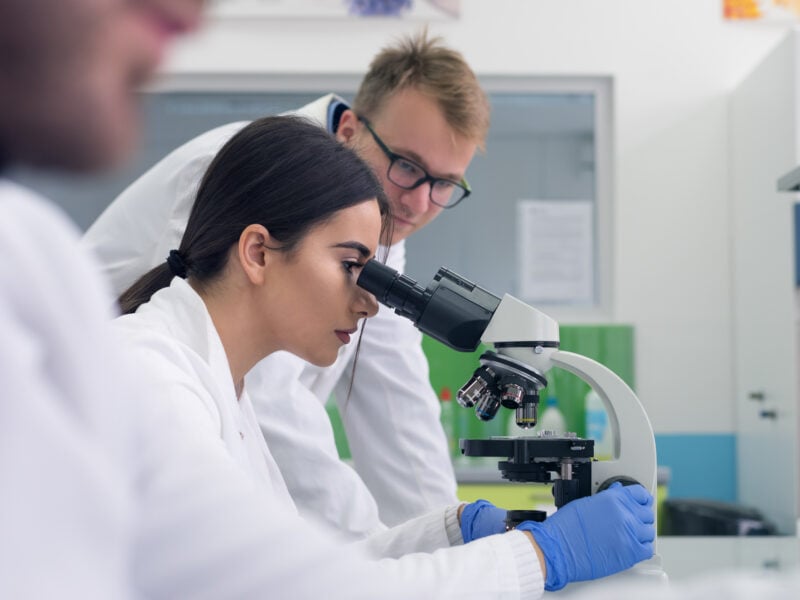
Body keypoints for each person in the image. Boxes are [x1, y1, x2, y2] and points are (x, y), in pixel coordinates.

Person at [111, 112, 657, 596]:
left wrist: (449, 530)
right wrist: (540, 557)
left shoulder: (223, 391)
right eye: (352, 265)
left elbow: (305, 574)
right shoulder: (154, 381)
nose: (371, 303)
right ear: (258, 252)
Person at [82, 30, 487, 534]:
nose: (419, 202)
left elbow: (395, 402)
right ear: (349, 130)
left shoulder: (374, 217)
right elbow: (271, 402)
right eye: (407, 166)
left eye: (444, 183)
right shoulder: (256, 175)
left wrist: (450, 531)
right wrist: (375, 553)